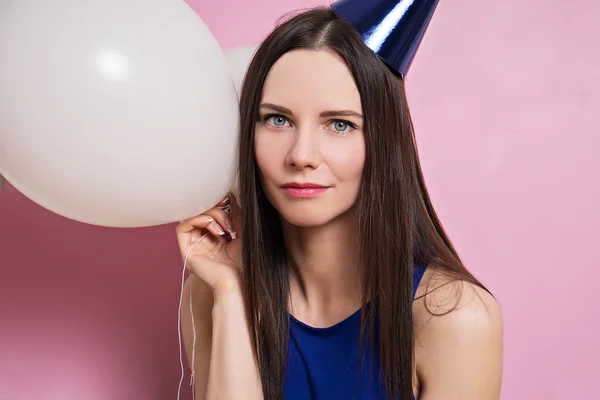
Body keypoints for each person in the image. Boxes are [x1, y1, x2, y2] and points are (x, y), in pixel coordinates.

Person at [176, 5, 503, 400]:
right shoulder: (209, 292)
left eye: (340, 124)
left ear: (382, 142)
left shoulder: (455, 317)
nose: (302, 155)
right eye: (277, 119)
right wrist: (230, 294)